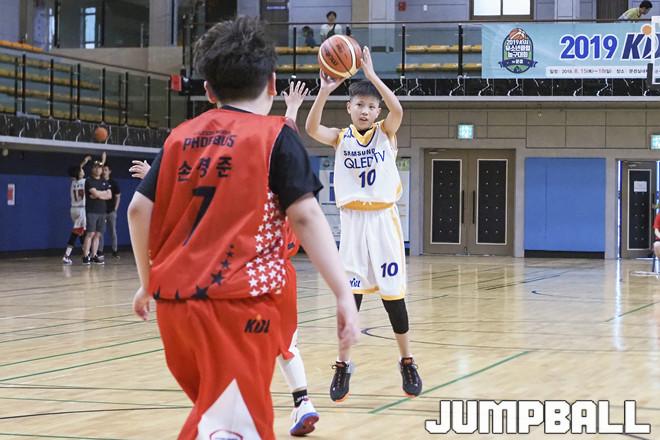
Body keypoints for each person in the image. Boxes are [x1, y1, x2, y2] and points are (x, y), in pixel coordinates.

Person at [127, 17, 359, 440]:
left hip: (175, 310)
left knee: (214, 416)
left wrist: (147, 282)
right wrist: (343, 293)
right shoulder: (274, 137)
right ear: (272, 83)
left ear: (208, 90)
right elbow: (306, 216)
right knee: (233, 428)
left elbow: (138, 210)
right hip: (236, 305)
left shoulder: (179, 137)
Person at [305, 47, 423, 402]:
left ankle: (407, 360)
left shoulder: (387, 132)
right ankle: (343, 364)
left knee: (393, 298)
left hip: (384, 222)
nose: (366, 110)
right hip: (353, 224)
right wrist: (324, 90)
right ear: (349, 108)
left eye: (371, 106)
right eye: (359, 105)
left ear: (377, 112)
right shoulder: (340, 137)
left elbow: (398, 110)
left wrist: (372, 75)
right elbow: (311, 128)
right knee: (350, 299)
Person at [63, 155, 92, 265]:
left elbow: (77, 169)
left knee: (81, 233)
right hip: (81, 210)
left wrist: (84, 161)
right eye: (82, 170)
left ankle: (86, 256)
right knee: (76, 233)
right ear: (79, 173)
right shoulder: (85, 181)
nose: (83, 171)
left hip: (73, 209)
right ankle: (66, 255)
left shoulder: (73, 182)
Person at [82, 158, 111, 265]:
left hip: (102, 211)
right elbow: (95, 193)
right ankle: (85, 256)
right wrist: (101, 194)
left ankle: (94, 255)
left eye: (100, 168)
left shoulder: (104, 182)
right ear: (92, 169)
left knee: (98, 234)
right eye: (96, 168)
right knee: (90, 233)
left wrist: (99, 195)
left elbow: (109, 195)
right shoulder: (89, 181)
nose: (98, 170)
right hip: (92, 211)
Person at [98, 164, 121, 259]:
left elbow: (118, 196)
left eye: (106, 170)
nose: (104, 172)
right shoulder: (99, 182)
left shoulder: (113, 183)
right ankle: (100, 251)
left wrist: (115, 209)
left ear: (109, 171)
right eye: (103, 170)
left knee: (113, 232)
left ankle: (115, 251)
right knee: (100, 232)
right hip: (101, 211)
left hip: (111, 211)